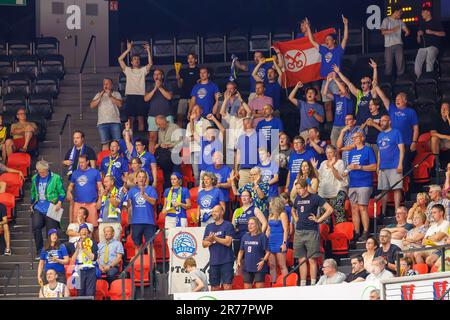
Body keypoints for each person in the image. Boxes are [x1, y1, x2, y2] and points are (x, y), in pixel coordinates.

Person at [305, 16, 348, 123]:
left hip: (336, 80)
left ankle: (343, 122)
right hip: (325, 81)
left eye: (328, 39)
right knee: (327, 105)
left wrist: (346, 25)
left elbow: (345, 39)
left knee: (340, 103)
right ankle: (330, 126)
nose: (326, 41)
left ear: (334, 41)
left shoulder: (338, 50)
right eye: (326, 40)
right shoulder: (323, 50)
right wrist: (308, 28)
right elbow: (312, 41)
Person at [291, 179, 333, 286]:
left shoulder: (315, 197)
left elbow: (329, 209)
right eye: (297, 189)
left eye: (300, 188)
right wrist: (295, 217)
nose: (298, 191)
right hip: (299, 231)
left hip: (311, 231)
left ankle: (314, 284)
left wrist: (319, 219)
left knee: (312, 259)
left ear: (305, 188)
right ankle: (303, 283)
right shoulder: (297, 198)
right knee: (301, 260)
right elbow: (293, 209)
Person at [375, 80, 419, 180]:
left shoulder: (410, 112)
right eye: (396, 98)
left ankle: (407, 191)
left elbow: (415, 128)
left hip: (406, 143)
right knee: (395, 168)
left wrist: (414, 142)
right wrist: (376, 87)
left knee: (405, 166)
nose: (397, 100)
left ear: (405, 101)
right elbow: (383, 98)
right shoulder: (392, 109)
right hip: (392, 144)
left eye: (400, 99)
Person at [343, 130, 377, 241]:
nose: (354, 140)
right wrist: (346, 171)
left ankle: (366, 231)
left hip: (364, 183)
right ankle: (357, 232)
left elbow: (374, 167)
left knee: (363, 207)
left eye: (356, 137)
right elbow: (350, 166)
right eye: (353, 138)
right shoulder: (352, 152)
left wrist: (360, 167)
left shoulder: (368, 150)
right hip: (353, 183)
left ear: (362, 138)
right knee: (354, 208)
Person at [30, 160, 65, 256]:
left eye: (43, 172)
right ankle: (40, 251)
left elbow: (62, 192)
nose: (41, 174)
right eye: (39, 172)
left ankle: (50, 251)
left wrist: (59, 202)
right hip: (38, 207)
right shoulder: (35, 178)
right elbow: (33, 192)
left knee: (51, 231)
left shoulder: (56, 178)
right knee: (36, 227)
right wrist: (32, 203)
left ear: (47, 169)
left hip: (52, 207)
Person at [118, 41, 152, 132]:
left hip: (140, 96)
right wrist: (128, 50)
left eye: (138, 59)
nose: (137, 60)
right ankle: (131, 139)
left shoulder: (142, 70)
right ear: (132, 62)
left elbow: (150, 64)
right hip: (130, 96)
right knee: (131, 120)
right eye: (135, 59)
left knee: (141, 119)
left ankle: (141, 139)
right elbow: (120, 59)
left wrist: (148, 51)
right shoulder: (128, 70)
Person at [332, 60, 378, 127]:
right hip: (358, 124)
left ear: (369, 84)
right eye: (362, 83)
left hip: (369, 124)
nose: (362, 85)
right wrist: (338, 72)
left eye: (364, 83)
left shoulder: (372, 93)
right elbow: (348, 83)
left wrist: (375, 69)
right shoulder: (359, 94)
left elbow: (375, 83)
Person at [232, 189, 267, 271]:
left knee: (251, 261)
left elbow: (264, 223)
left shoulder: (255, 209)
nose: (244, 197)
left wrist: (259, 236)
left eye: (246, 196)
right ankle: (240, 281)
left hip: (251, 239)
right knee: (239, 262)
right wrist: (234, 229)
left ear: (250, 198)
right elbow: (232, 225)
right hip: (238, 239)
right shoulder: (237, 211)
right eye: (242, 196)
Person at [377, 115, 405, 217]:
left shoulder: (396, 132)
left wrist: (400, 164)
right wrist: (378, 166)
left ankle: (397, 212)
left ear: (390, 121)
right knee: (384, 190)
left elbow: (402, 149)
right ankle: (383, 213)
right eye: (381, 121)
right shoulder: (379, 135)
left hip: (394, 165)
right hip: (383, 167)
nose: (381, 122)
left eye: (384, 120)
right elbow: (379, 152)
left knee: (396, 188)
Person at [202, 205, 235, 291]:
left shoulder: (228, 225)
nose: (213, 213)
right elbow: (204, 244)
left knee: (227, 286)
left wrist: (215, 238)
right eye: (212, 212)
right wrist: (211, 241)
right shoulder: (209, 227)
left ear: (222, 212)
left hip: (226, 261)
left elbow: (228, 242)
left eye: (216, 211)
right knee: (214, 287)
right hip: (213, 262)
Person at [66, 155, 103, 229]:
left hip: (91, 204)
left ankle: (93, 241)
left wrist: (100, 198)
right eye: (80, 162)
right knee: (77, 226)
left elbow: (100, 186)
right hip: (78, 204)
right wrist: (68, 191)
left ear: (87, 162)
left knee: (93, 227)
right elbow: (70, 186)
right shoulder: (75, 173)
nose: (81, 164)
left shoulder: (95, 172)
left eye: (83, 162)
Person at [126, 170, 158, 254]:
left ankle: (152, 267)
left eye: (143, 177)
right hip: (136, 222)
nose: (141, 179)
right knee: (137, 245)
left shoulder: (151, 189)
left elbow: (153, 202)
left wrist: (144, 195)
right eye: (139, 177)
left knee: (150, 245)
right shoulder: (132, 190)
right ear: (136, 179)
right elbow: (127, 205)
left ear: (146, 179)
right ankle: (139, 265)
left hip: (149, 221)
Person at [316, 145, 348, 225]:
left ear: (335, 153)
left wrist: (332, 167)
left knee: (338, 211)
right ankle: (325, 234)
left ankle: (341, 231)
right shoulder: (323, 163)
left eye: (331, 152)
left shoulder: (340, 162)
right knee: (324, 217)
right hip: (324, 193)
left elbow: (339, 178)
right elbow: (318, 177)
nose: (329, 155)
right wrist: (314, 168)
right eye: (327, 153)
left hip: (337, 192)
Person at [144, 68, 174, 151]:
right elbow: (146, 99)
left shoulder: (168, 85)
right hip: (153, 115)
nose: (156, 76)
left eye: (158, 74)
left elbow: (169, 97)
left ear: (162, 76)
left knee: (169, 138)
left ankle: (169, 159)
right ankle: (152, 159)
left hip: (167, 115)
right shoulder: (150, 86)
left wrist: (160, 87)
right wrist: (154, 88)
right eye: (155, 74)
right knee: (152, 138)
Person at [90, 78, 123, 150]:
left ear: (111, 85)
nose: (105, 85)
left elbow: (120, 104)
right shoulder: (99, 94)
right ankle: (106, 160)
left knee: (117, 142)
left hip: (115, 121)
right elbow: (92, 105)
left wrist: (110, 95)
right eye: (104, 84)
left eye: (107, 84)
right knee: (105, 143)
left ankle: (119, 160)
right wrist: (100, 96)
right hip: (102, 122)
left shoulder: (116, 94)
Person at [237, 217, 270, 289]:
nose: (249, 226)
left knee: (259, 291)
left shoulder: (262, 236)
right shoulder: (245, 236)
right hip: (247, 267)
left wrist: (263, 261)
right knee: (247, 291)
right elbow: (241, 250)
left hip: (259, 267)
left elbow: (268, 252)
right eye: (248, 224)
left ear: (257, 225)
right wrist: (238, 260)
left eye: (252, 224)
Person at [220, 90, 251, 165]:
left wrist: (240, 99)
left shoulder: (246, 120)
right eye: (240, 109)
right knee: (230, 169)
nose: (241, 111)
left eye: (243, 110)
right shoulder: (232, 118)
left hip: (241, 149)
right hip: (230, 147)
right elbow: (222, 112)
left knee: (239, 171)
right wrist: (226, 99)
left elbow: (249, 112)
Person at [322, 73, 353, 146]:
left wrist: (335, 79)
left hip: (345, 125)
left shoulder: (348, 97)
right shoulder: (337, 97)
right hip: (336, 125)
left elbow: (344, 91)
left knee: (346, 144)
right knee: (334, 144)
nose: (339, 90)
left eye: (341, 88)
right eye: (339, 89)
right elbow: (324, 93)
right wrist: (328, 82)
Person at [414, 7, 446, 79]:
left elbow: (443, 34)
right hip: (422, 47)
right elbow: (418, 41)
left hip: (433, 46)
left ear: (428, 12)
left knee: (429, 59)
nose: (421, 14)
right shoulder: (422, 24)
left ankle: (429, 79)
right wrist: (418, 35)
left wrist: (432, 32)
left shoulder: (436, 22)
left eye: (423, 12)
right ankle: (418, 79)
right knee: (417, 62)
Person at [380, 5, 410, 78]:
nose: (401, 14)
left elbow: (407, 30)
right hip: (388, 46)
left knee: (400, 64)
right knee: (388, 65)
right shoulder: (386, 20)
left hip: (398, 44)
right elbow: (382, 32)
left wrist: (407, 32)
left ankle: (401, 80)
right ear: (396, 12)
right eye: (400, 13)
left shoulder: (400, 21)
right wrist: (393, 30)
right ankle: (388, 82)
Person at [154, 115, 182, 189]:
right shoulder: (160, 130)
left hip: (174, 153)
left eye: (160, 124)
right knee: (166, 175)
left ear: (164, 121)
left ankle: (178, 191)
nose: (158, 126)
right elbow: (160, 142)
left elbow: (181, 142)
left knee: (175, 175)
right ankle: (168, 192)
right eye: (157, 124)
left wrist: (170, 145)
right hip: (165, 156)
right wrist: (159, 145)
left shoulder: (175, 127)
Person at [266, 197, 289, 284]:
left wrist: (284, 243)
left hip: (279, 240)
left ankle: (285, 284)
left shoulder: (282, 214)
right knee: (272, 265)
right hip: (271, 241)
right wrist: (265, 241)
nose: (270, 204)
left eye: (271, 203)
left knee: (282, 265)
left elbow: (286, 229)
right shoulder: (270, 215)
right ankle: (273, 283)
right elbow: (268, 229)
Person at [186, 104, 210, 184]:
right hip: (193, 151)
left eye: (197, 110)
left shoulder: (206, 122)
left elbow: (207, 137)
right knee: (196, 175)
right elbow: (188, 138)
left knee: (204, 174)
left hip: (203, 150)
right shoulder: (189, 124)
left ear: (201, 111)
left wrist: (195, 137)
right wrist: (197, 137)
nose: (194, 112)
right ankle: (196, 193)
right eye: (193, 110)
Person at [203, 151, 232, 220]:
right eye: (215, 158)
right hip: (211, 200)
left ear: (222, 159)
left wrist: (219, 185)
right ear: (212, 159)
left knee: (224, 220)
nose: (217, 160)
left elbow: (230, 184)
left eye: (219, 158)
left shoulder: (227, 169)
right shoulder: (208, 169)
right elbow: (204, 183)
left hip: (224, 199)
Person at [72, 223, 98, 297]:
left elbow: (94, 257)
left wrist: (83, 249)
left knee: (90, 294)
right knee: (79, 294)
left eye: (86, 230)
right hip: (78, 270)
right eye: (82, 230)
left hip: (91, 270)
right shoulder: (74, 243)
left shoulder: (93, 242)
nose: (84, 231)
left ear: (88, 232)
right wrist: (78, 248)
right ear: (79, 232)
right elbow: (73, 260)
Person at [96, 175, 123, 243]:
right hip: (103, 222)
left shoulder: (119, 192)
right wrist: (100, 197)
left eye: (106, 182)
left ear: (112, 182)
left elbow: (116, 204)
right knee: (102, 246)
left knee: (114, 246)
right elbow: (98, 207)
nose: (104, 184)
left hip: (114, 223)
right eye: (104, 182)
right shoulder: (104, 193)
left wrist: (108, 195)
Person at [176, 53, 200, 127]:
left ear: (195, 60)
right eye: (189, 58)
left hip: (194, 97)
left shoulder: (199, 71)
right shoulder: (183, 71)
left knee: (193, 116)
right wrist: (178, 79)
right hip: (183, 96)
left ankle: (193, 133)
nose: (190, 60)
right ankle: (179, 135)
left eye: (192, 58)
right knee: (180, 117)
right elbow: (180, 85)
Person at [234, 117, 259, 188]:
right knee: (243, 192)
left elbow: (262, 153)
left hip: (256, 169)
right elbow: (238, 154)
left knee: (255, 193)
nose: (245, 126)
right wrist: (236, 169)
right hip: (243, 170)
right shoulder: (241, 138)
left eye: (247, 123)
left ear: (252, 124)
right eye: (244, 124)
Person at [430, 102, 450, 170]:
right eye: (442, 108)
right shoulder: (436, 118)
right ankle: (436, 164)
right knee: (434, 138)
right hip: (439, 141)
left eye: (446, 108)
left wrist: (448, 118)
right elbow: (433, 133)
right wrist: (446, 136)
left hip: (448, 142)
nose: (444, 109)